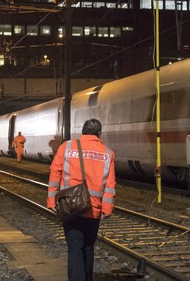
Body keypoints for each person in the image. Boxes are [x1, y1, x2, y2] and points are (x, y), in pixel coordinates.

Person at [47, 119, 116, 281]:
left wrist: (51, 201)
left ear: (83, 132)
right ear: (100, 134)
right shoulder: (107, 153)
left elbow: (54, 174)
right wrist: (106, 209)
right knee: (88, 247)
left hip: (70, 206)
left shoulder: (67, 147)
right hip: (93, 208)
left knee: (75, 247)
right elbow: (110, 185)